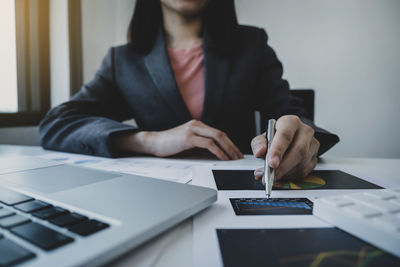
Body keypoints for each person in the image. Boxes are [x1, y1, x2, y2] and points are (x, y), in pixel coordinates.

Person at [39, 0, 339, 181]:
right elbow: (56, 124)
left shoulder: (251, 45)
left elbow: (295, 117)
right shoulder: (123, 61)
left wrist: (298, 134)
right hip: (158, 195)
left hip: (240, 190)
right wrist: (148, 141)